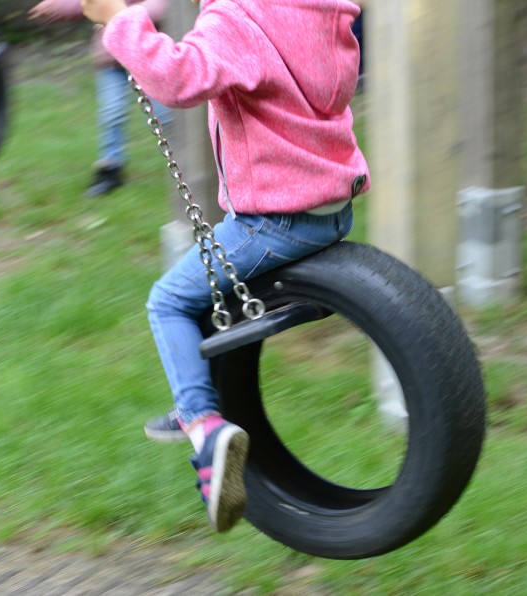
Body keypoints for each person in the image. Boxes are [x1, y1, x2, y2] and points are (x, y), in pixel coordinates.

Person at [80, 0, 369, 533]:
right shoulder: (323, 14)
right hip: (333, 208)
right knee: (211, 294)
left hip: (275, 219)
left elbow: (175, 79)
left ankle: (203, 426)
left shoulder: (237, 20)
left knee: (168, 301)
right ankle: (200, 393)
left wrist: (120, 23)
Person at [28, 0, 171, 196]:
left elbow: (164, 6)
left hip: (148, 58)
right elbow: (85, 3)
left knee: (166, 115)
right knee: (111, 113)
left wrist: (117, 14)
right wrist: (55, 7)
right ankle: (110, 167)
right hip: (112, 60)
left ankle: (188, 160)